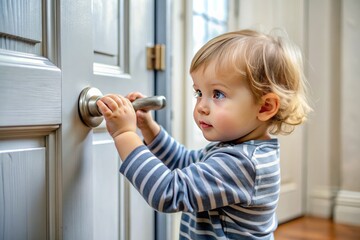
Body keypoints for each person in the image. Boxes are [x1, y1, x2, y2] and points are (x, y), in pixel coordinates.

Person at [97, 29, 312, 240]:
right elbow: (183, 161)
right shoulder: (234, 149)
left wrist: (124, 133)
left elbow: (167, 192)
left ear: (264, 107)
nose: (201, 106)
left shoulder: (243, 163)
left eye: (217, 94)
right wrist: (148, 128)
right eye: (199, 92)